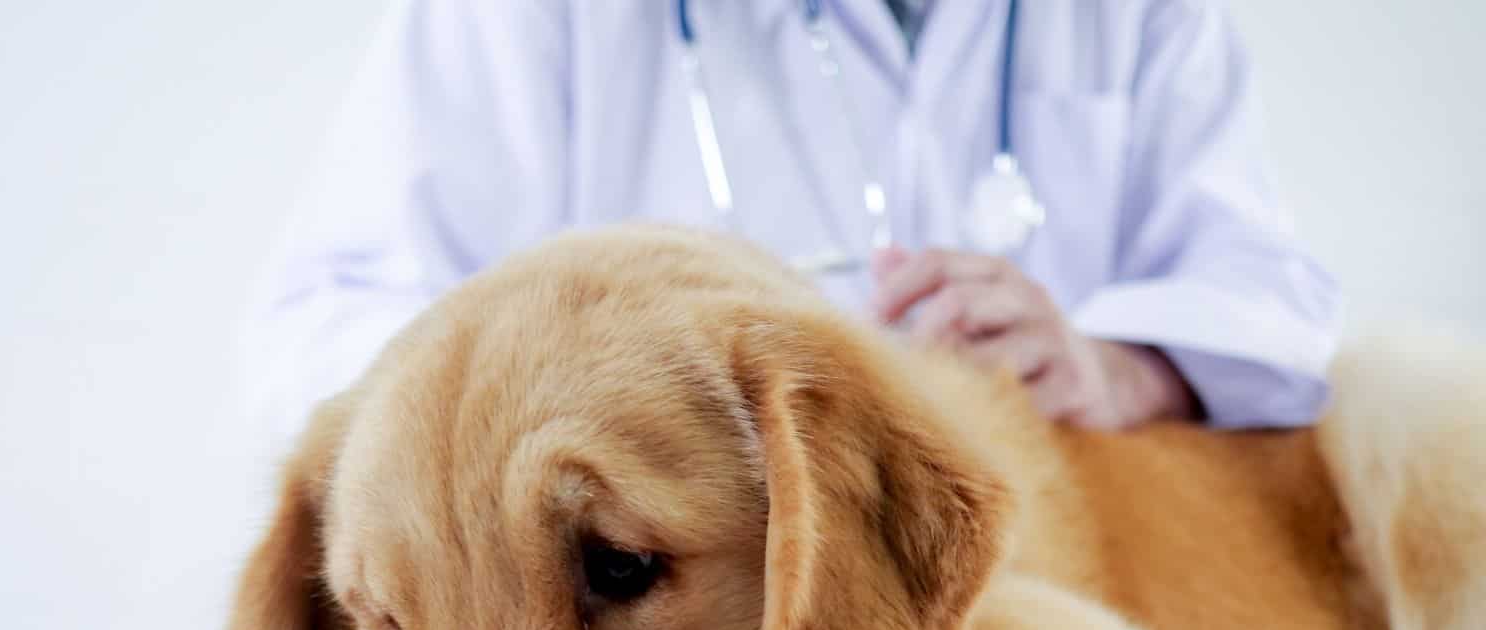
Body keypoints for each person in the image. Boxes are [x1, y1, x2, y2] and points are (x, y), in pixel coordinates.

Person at [239, 0, 1342, 453]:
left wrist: (1116, 369)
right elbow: (322, 336)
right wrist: (598, 390)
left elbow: (1277, 301)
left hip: (1042, 571)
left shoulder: (1135, 17)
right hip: (667, 627)